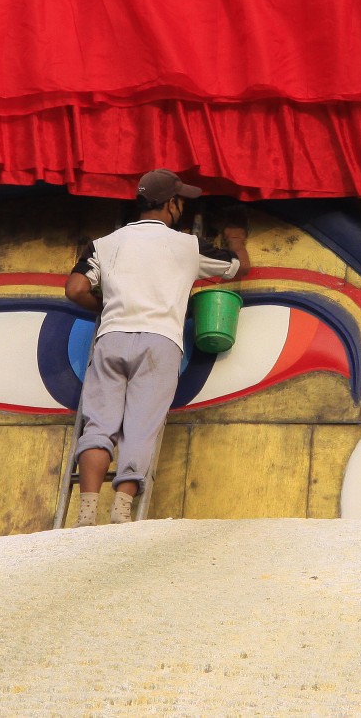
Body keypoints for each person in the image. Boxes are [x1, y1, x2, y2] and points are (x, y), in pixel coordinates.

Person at [64, 169, 251, 527]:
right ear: (172, 204)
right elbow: (237, 268)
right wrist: (236, 238)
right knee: (141, 427)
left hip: (112, 336)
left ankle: (86, 511)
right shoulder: (187, 246)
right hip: (160, 342)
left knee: (99, 425)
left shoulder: (105, 244)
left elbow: (75, 289)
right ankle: (121, 511)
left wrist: (103, 307)